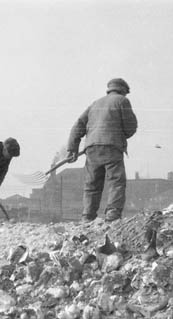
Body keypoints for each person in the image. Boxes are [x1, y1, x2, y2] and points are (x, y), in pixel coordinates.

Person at [66, 78, 137, 223]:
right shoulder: (122, 101)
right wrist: (120, 134)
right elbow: (130, 128)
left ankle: (87, 216)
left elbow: (78, 125)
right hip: (111, 146)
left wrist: (72, 148)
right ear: (123, 90)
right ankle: (112, 214)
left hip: (91, 147)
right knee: (116, 181)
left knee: (92, 184)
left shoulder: (95, 104)